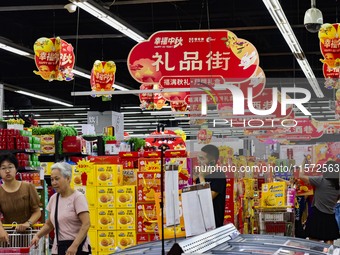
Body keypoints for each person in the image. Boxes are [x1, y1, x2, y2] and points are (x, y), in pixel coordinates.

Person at [31, 162, 91, 255]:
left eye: (57, 179)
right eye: (52, 179)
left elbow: (86, 224)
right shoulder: (54, 198)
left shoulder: (78, 198)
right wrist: (37, 236)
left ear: (68, 178)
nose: (54, 183)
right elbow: (49, 224)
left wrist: (74, 246)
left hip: (77, 248)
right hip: (59, 248)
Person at [0, 153, 41, 243]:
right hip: (7, 236)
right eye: (3, 168)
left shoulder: (28, 187)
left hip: (29, 235)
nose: (7, 171)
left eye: (10, 167)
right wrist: (1, 230)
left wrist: (28, 223)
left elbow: (37, 211)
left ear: (16, 169)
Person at [300, 160, 340, 244]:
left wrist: (302, 165)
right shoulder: (338, 186)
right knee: (329, 244)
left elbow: (301, 176)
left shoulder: (321, 181)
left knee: (314, 244)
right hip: (330, 216)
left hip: (317, 215)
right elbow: (336, 200)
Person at [195, 144, 226, 228]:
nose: (198, 161)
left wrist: (201, 178)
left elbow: (206, 199)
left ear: (212, 162)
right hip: (200, 224)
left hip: (214, 225)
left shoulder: (219, 175)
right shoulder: (199, 178)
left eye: (202, 158)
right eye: (198, 158)